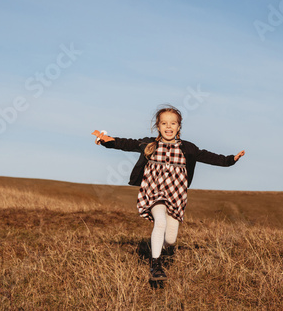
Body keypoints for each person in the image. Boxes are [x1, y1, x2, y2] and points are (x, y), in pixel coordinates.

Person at [93, 104, 245, 281]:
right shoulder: (149, 144)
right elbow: (126, 143)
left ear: (179, 127)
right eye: (164, 123)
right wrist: (105, 140)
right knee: (160, 222)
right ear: (157, 126)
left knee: (171, 238)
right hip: (154, 192)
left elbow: (207, 156)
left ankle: (162, 250)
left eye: (173, 123)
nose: (168, 127)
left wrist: (230, 160)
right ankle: (155, 266)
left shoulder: (187, 148)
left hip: (176, 195)